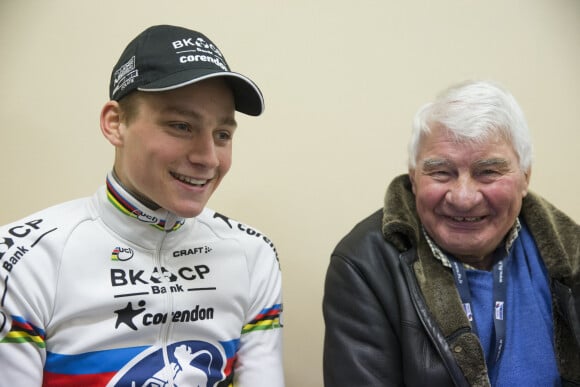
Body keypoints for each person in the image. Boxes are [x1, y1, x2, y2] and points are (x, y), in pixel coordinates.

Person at [0, 25, 284, 386]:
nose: (208, 158)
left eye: (222, 135)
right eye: (182, 126)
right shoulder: (21, 260)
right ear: (115, 123)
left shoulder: (252, 253)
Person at [323, 80, 580, 386]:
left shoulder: (570, 252)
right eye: (441, 172)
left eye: (488, 172)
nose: (463, 197)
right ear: (414, 177)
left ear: (525, 177)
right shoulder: (364, 265)